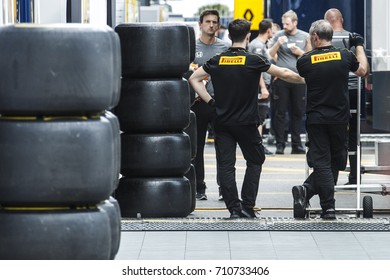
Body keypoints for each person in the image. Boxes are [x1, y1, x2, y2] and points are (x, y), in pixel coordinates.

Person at [189, 18, 304, 218]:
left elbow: (194, 79)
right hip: (247, 123)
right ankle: (247, 206)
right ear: (248, 37)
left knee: (226, 165)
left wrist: (211, 102)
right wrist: (306, 78)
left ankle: (234, 209)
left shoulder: (217, 60)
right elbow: (284, 72)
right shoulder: (253, 60)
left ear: (229, 36)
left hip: (222, 121)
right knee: (256, 159)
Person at [293, 20, 368, 219]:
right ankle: (329, 208)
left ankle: (306, 190)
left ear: (315, 37)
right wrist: (359, 44)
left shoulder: (305, 61)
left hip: (317, 119)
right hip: (339, 119)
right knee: (330, 162)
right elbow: (363, 71)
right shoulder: (345, 56)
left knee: (331, 163)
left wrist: (309, 44)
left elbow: (306, 62)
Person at [190, 10, 230, 201]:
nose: (211, 25)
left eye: (215, 22)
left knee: (223, 147)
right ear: (200, 24)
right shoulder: (191, 48)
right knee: (196, 148)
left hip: (219, 102)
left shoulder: (225, 47)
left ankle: (224, 187)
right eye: (208, 22)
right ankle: (199, 187)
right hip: (198, 104)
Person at [324, 8, 364, 185]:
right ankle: (355, 177)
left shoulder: (324, 40)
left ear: (326, 22)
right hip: (353, 89)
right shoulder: (352, 38)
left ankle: (331, 178)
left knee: (332, 133)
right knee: (354, 134)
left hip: (332, 92)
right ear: (341, 19)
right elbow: (363, 68)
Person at [268, 10, 311, 154]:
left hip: (299, 80)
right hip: (281, 79)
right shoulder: (279, 36)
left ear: (295, 23)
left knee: (297, 113)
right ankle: (280, 144)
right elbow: (270, 55)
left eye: (287, 23)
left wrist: (300, 52)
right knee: (280, 113)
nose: (284, 26)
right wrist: (277, 44)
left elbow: (311, 57)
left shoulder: (305, 36)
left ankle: (296, 144)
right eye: (283, 23)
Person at [248, 19, 274, 155]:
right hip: (260, 86)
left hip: (263, 84)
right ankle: (257, 146)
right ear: (268, 30)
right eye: (272, 29)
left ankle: (257, 145)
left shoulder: (261, 44)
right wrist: (263, 88)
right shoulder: (257, 45)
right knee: (259, 116)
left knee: (260, 117)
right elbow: (256, 69)